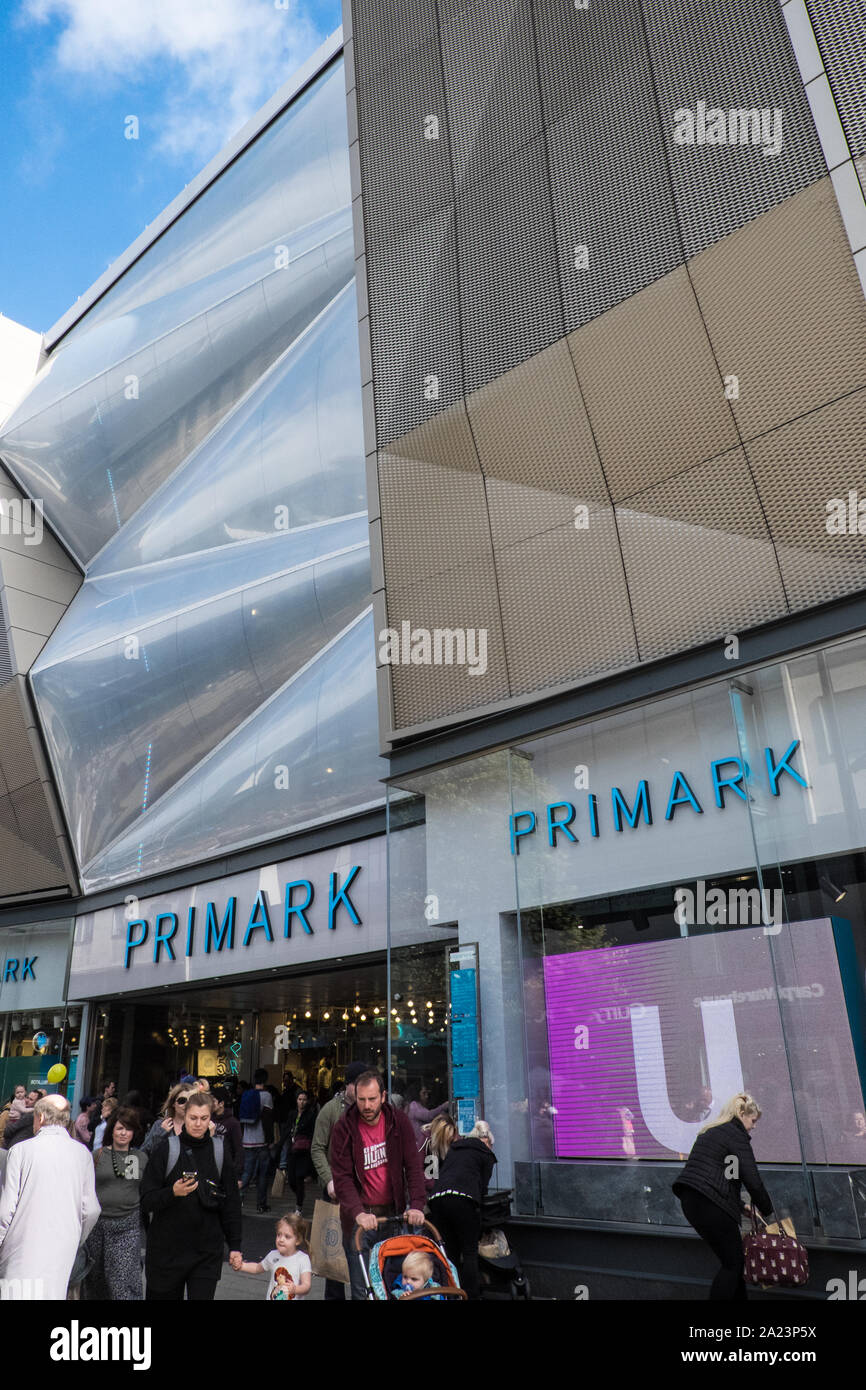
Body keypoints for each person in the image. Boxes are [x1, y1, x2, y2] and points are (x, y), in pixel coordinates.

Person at [330, 1070, 426, 1301]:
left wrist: (417, 1205)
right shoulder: (344, 1127)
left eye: (372, 1099)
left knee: (395, 1284)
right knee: (362, 1290)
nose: (367, 1105)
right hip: (360, 1220)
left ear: (383, 1096)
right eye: (361, 1099)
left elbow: (413, 1166)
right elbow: (342, 1177)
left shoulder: (398, 1122)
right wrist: (357, 1213)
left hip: (393, 1215)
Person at [139, 1090, 242, 1301]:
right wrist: (172, 1192)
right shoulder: (166, 1149)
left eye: (204, 1118)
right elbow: (146, 1199)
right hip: (167, 1250)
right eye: (193, 1118)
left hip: (206, 1251)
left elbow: (231, 1202)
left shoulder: (219, 1151)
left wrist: (235, 1246)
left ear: (211, 1119)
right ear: (183, 1117)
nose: (198, 1124)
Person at [672, 1092, 775, 1301]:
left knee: (733, 1262)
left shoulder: (711, 1132)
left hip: (693, 1202)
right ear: (741, 1114)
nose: (754, 1127)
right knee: (733, 1264)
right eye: (753, 1121)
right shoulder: (736, 1135)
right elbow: (752, 1180)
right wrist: (769, 1212)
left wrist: (740, 1205)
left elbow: (726, 1177)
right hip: (711, 1205)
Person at [0, 1095, 101, 1300]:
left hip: (22, 1246)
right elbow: (91, 1210)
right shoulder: (82, 1154)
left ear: (42, 1117)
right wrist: (76, 1237)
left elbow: (7, 1209)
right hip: (63, 1246)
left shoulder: (21, 1151)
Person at [311, 1060, 369, 1302]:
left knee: (362, 1250)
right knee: (333, 1253)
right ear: (349, 1086)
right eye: (360, 1086)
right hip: (336, 1191)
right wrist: (328, 1180)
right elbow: (317, 1148)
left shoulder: (370, 1109)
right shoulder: (331, 1110)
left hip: (364, 1192)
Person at [427, 1116, 496, 1300]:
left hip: (438, 1199)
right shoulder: (486, 1154)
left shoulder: (456, 1149)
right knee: (470, 1252)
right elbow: (483, 1188)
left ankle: (450, 1293)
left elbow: (442, 1174)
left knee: (450, 1253)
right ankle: (471, 1296)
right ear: (488, 1142)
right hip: (464, 1200)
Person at [84, 1106, 147, 1300]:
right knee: (96, 1277)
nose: (123, 1133)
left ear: (134, 1132)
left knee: (122, 1278)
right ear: (111, 1130)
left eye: (128, 1129)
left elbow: (131, 1185)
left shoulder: (138, 1158)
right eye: (119, 1128)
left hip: (126, 1225)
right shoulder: (98, 1156)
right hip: (97, 1226)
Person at [230, 1213, 312, 1300]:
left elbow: (306, 1286)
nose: (281, 1239)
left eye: (287, 1236)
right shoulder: (273, 1255)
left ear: (298, 1240)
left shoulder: (302, 1259)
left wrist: (295, 1289)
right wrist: (242, 1266)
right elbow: (257, 1268)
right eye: (279, 1234)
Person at [239, 1067, 275, 1213]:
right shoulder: (267, 1096)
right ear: (265, 1080)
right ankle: (261, 1204)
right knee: (262, 1174)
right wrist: (270, 1139)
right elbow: (268, 1120)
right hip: (261, 1141)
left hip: (247, 1140)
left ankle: (238, 1199)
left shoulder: (246, 1094)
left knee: (247, 1173)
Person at [281, 1089, 317, 1214]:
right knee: (291, 1179)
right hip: (292, 1149)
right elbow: (286, 1129)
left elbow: (313, 1133)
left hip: (304, 1151)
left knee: (299, 1178)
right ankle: (300, 1195)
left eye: (304, 1099)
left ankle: (299, 1206)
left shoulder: (311, 1115)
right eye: (300, 1099)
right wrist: (279, 1144)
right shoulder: (292, 1114)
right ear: (296, 1100)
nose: (302, 1102)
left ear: (308, 1101)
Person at [141, 1082, 193, 1155]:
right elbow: (144, 1153)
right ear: (173, 1103)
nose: (186, 1105)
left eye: (191, 1101)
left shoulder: (200, 1126)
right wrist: (161, 1134)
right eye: (182, 1100)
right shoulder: (160, 1125)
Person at [405, 1081, 451, 1155]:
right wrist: (444, 1106)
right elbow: (428, 1116)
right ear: (417, 1094)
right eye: (424, 1093)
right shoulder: (414, 1106)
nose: (426, 1096)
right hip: (419, 1146)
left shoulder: (418, 1106)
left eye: (427, 1093)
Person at [212, 1087, 244, 1180]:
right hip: (211, 1167)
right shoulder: (207, 1119)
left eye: (213, 1101)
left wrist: (237, 1175)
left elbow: (239, 1149)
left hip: (227, 1169)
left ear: (221, 1103)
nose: (211, 1104)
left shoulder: (233, 1123)